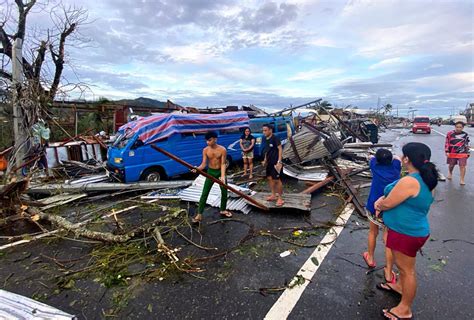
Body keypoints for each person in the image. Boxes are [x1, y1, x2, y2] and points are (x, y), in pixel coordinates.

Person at [374, 142, 438, 320]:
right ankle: (400, 287)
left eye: (403, 155)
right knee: (404, 268)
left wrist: (380, 203)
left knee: (406, 270)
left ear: (407, 159)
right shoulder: (425, 178)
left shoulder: (410, 181)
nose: (401, 158)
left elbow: (389, 203)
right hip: (408, 231)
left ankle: (405, 309)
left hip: (406, 233)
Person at [363, 149, 401, 287]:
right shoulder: (396, 167)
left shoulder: (375, 166)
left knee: (373, 232)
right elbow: (397, 157)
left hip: (374, 205)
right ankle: (389, 271)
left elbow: (371, 157)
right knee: (388, 240)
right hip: (391, 207)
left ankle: (371, 258)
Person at [192, 131, 232, 223]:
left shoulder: (222, 150)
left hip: (220, 172)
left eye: (209, 140)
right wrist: (197, 169)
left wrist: (222, 176)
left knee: (224, 192)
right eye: (206, 141)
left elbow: (222, 164)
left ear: (215, 139)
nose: (208, 142)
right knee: (205, 193)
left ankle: (223, 209)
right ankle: (199, 214)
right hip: (210, 172)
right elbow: (203, 164)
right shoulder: (205, 150)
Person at [262, 124, 284, 207]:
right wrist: (265, 159)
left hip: (276, 163)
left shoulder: (275, 138)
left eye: (265, 130)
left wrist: (279, 161)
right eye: (263, 130)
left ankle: (280, 198)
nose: (264, 132)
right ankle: (273, 195)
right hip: (269, 162)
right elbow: (267, 150)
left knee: (277, 180)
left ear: (270, 130)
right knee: (269, 178)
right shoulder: (266, 138)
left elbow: (280, 149)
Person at [445, 121, 470, 185]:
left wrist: (468, 152)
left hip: (462, 152)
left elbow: (467, 144)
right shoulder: (449, 134)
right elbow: (447, 143)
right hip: (452, 152)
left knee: (462, 166)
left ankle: (462, 179)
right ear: (455, 127)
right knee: (451, 165)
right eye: (457, 127)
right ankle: (450, 173)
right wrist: (447, 151)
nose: (458, 128)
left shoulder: (465, 135)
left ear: (463, 128)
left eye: (460, 127)